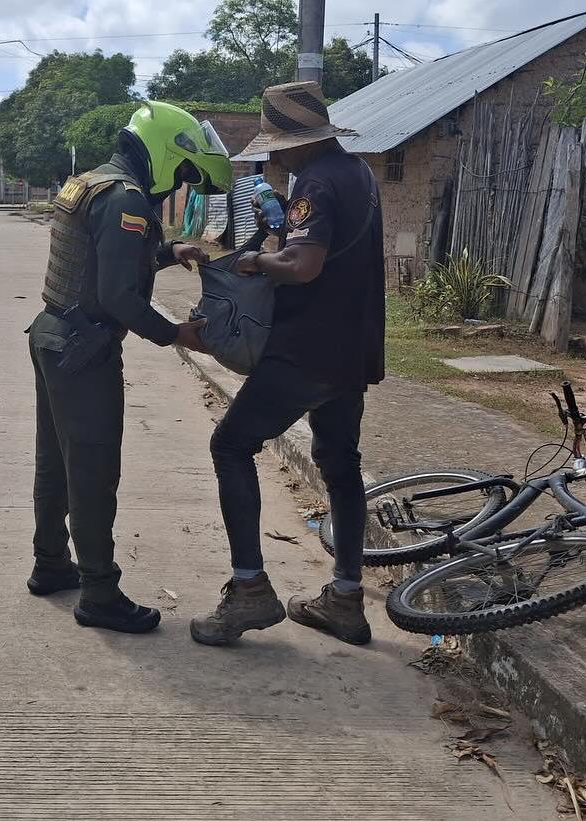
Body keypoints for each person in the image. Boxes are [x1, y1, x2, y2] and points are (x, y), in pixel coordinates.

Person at [189, 81, 384, 647]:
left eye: (279, 148)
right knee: (340, 463)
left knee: (231, 445)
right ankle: (345, 598)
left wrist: (254, 260)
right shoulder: (359, 173)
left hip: (306, 351)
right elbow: (325, 251)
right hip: (352, 349)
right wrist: (279, 235)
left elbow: (302, 266)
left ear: (300, 141)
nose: (276, 159)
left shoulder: (316, 182)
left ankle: (250, 590)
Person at [27, 101, 233, 634]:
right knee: (93, 471)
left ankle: (50, 563)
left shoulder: (95, 182)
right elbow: (118, 296)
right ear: (166, 152)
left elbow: (103, 259)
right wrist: (175, 335)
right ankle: (99, 594)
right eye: (183, 173)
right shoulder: (128, 199)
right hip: (84, 349)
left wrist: (169, 251)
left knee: (56, 461)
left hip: (52, 333)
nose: (180, 183)